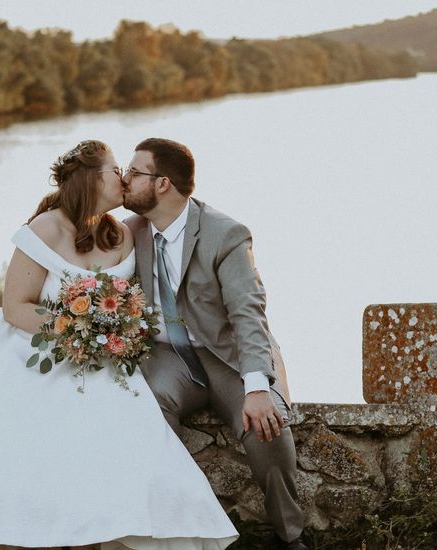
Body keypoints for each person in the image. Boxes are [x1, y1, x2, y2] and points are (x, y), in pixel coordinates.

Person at [0, 140, 238, 550]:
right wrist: (76, 326)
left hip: (101, 360)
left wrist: (113, 331)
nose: (123, 177)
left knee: (115, 454)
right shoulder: (45, 228)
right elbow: (16, 307)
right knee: (18, 455)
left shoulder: (121, 234)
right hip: (32, 352)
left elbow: (138, 300)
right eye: (114, 169)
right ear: (91, 178)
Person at [123, 138, 309, 550]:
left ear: (162, 184)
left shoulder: (225, 234)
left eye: (134, 172)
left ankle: (290, 534)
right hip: (168, 355)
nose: (125, 178)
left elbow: (249, 313)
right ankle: (169, 530)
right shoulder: (128, 233)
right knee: (146, 406)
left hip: (227, 355)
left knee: (267, 425)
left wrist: (258, 387)